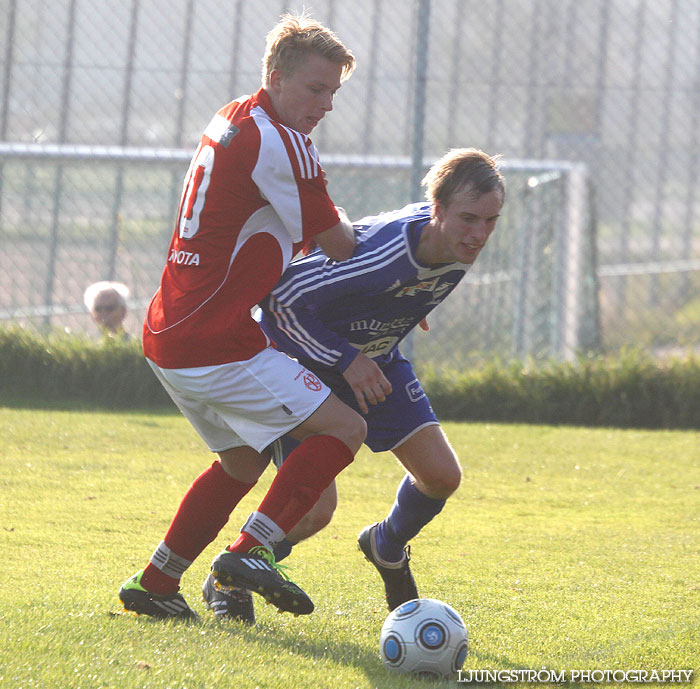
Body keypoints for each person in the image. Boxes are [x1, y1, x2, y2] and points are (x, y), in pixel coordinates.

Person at [119, 13, 365, 622]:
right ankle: (252, 552)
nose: (327, 104)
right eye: (316, 88)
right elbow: (340, 244)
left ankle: (155, 582)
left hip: (168, 333)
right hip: (216, 342)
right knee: (344, 429)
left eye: (335, 91)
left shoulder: (233, 116)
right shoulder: (279, 142)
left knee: (241, 462)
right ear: (276, 77)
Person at [232, 148, 503, 619]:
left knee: (441, 477)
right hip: (307, 368)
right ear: (436, 210)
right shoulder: (381, 254)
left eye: (490, 220)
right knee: (315, 513)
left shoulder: (454, 242)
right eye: (468, 219)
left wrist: (399, 310)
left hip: (377, 361)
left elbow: (405, 284)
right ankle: (233, 574)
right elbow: (280, 302)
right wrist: (347, 357)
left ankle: (386, 543)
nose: (479, 233)